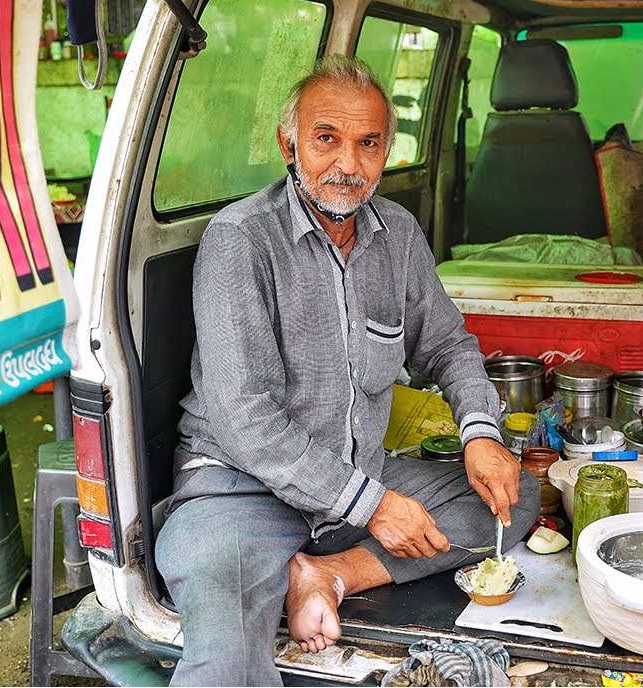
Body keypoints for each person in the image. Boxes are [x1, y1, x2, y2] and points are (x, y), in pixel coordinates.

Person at [154, 54, 541, 686]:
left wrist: (480, 434)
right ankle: (286, 573)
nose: (348, 165)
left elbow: (447, 344)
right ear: (290, 145)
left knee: (512, 499)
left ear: (386, 151)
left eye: (368, 144)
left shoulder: (399, 234)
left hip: (358, 476)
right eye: (326, 139)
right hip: (240, 492)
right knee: (226, 660)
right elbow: (244, 417)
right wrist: (374, 506)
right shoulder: (241, 239)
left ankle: (327, 575)